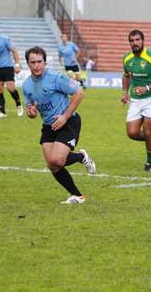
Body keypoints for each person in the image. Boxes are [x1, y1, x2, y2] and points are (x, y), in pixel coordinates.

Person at [22, 46, 96, 204]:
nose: (36, 65)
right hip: (49, 126)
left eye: (39, 62)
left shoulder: (55, 77)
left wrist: (64, 116)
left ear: (45, 62)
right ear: (28, 64)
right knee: (52, 165)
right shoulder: (26, 85)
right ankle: (77, 195)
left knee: (56, 160)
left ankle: (81, 157)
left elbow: (79, 93)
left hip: (68, 122)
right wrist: (32, 112)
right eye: (32, 62)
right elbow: (31, 112)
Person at [122, 30, 151, 172]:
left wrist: (147, 88)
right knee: (132, 133)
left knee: (147, 132)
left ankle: (150, 163)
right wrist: (125, 92)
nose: (134, 43)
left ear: (143, 40)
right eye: (132, 40)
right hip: (136, 100)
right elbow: (126, 76)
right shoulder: (127, 58)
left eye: (137, 40)